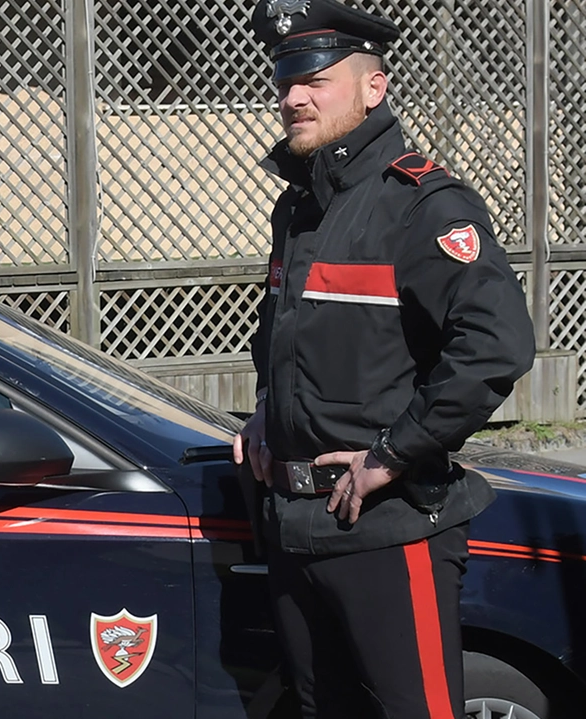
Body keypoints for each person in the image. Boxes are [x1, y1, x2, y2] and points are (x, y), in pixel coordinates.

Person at [233, 2, 536, 717]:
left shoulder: (422, 204)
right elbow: (286, 340)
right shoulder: (301, 206)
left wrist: (394, 452)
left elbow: (496, 345)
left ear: (375, 87)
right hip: (294, 526)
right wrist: (266, 413)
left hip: (389, 529)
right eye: (283, 79)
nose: (292, 97)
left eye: (315, 78)